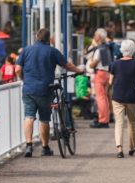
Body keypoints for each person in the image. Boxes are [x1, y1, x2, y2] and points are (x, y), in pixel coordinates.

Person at [15, 28, 84, 157]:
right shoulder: (52, 51)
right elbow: (67, 65)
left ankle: (29, 146)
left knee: (29, 116)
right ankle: (45, 147)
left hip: (29, 89)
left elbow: (17, 69)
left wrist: (24, 79)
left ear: (36, 36)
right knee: (44, 119)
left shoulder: (26, 50)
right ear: (48, 39)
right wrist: (78, 70)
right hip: (45, 89)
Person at [109, 40, 135, 158]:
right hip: (132, 96)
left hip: (117, 96)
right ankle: (131, 147)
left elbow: (110, 81)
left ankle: (119, 148)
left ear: (122, 50)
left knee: (119, 122)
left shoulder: (114, 64)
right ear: (133, 50)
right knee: (131, 122)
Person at [89, 28, 113, 128]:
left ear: (99, 37)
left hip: (100, 73)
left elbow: (94, 63)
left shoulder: (99, 49)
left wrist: (90, 64)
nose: (94, 37)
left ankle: (102, 120)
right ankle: (106, 118)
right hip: (107, 73)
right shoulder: (107, 48)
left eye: (95, 35)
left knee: (100, 98)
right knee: (106, 98)